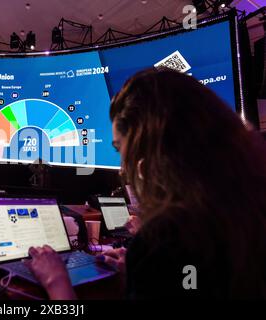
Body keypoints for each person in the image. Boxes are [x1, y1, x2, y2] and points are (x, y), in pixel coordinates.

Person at [25, 68, 266, 299]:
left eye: (122, 149)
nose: (123, 169)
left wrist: (56, 281)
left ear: (151, 152)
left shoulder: (167, 239)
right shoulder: (245, 212)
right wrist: (148, 275)